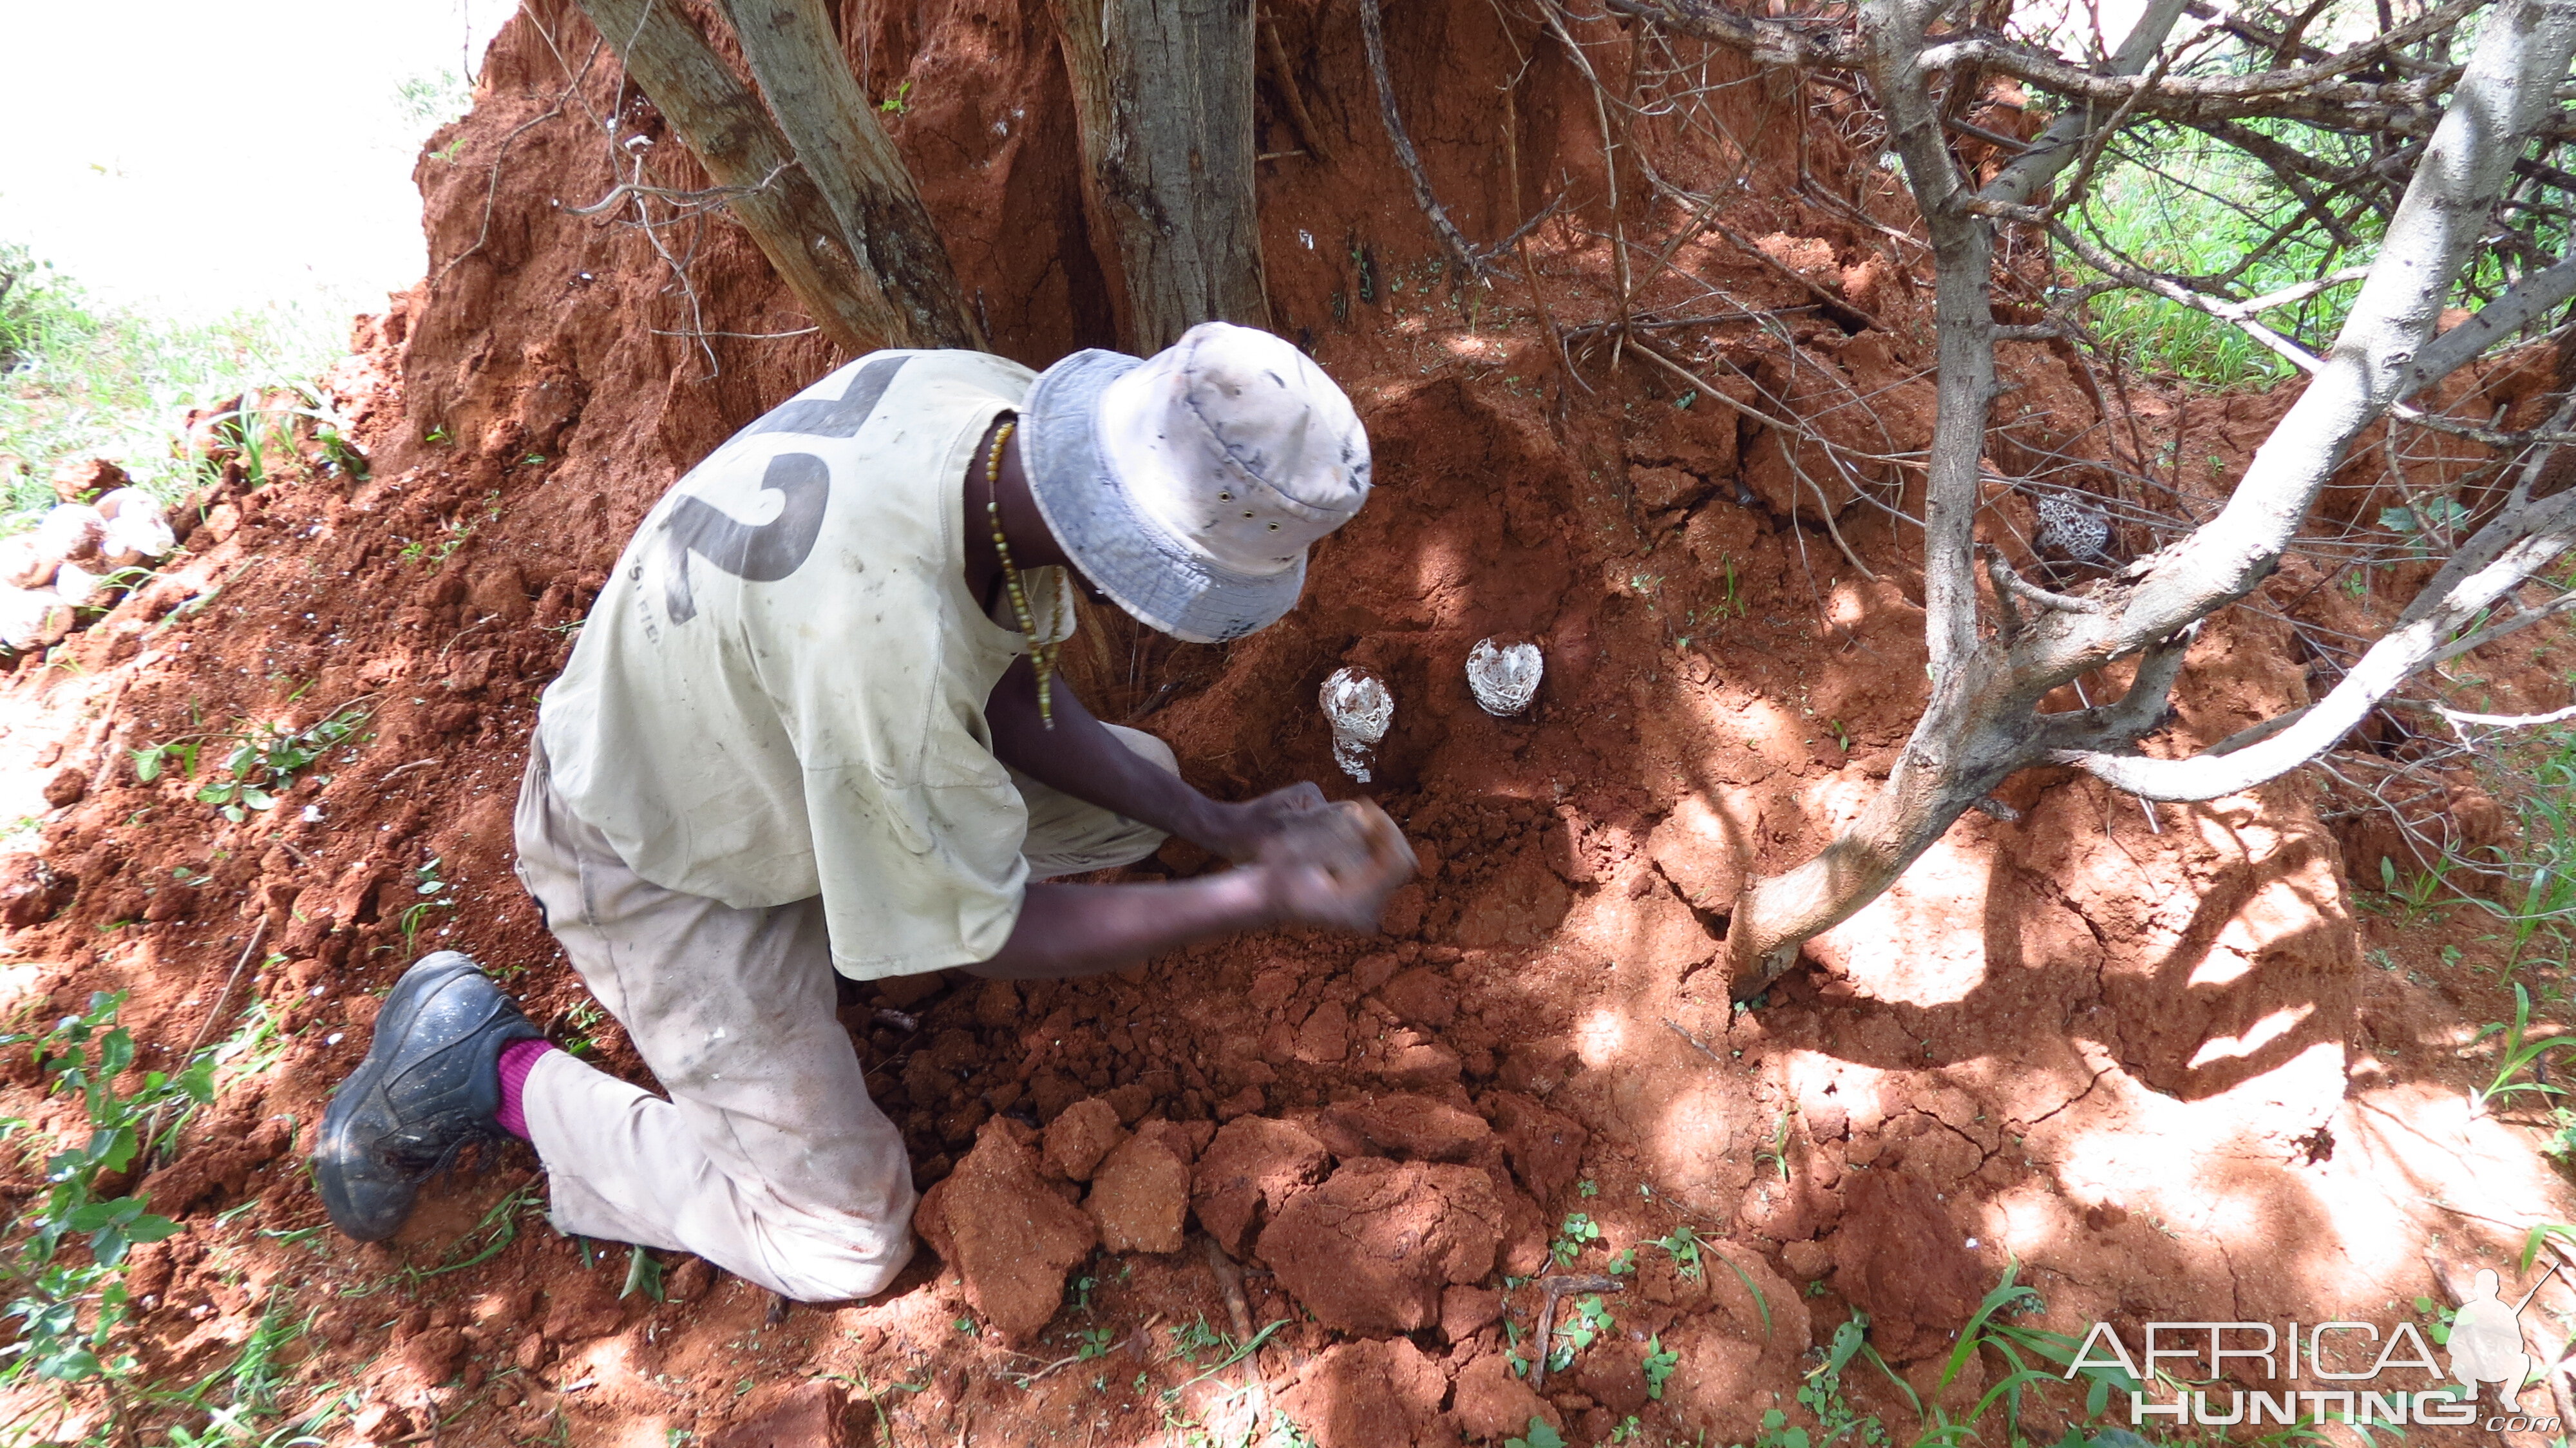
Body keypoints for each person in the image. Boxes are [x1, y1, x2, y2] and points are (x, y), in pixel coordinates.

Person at [313, 322, 1415, 1300]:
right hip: (650, 848)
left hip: (771, 744)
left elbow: (990, 664)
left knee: (1139, 795)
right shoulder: (878, 654)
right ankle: (482, 1068)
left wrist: (1213, 823)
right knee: (843, 1241)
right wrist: (1255, 894)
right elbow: (995, 933)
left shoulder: (984, 407)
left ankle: (868, 900)